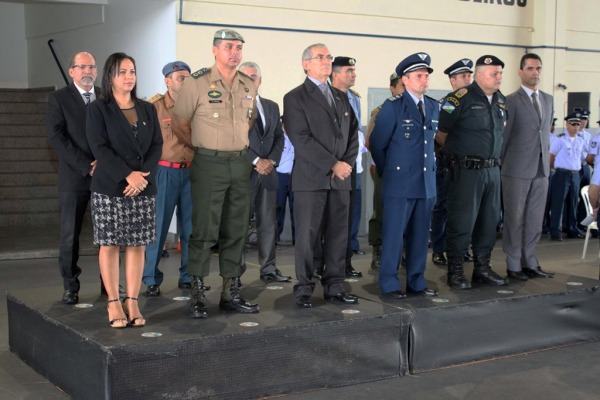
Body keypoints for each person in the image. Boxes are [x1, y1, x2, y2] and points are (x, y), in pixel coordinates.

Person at [172, 29, 259, 319]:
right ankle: (197, 292)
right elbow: (180, 124)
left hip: (240, 163)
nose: (235, 52)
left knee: (236, 230)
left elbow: (249, 121)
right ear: (214, 50)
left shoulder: (248, 85)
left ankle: (230, 293)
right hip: (208, 163)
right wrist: (203, 148)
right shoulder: (196, 83)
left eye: (239, 47)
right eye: (229, 47)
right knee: (204, 230)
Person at [86, 52, 163, 328]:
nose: (129, 77)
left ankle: (132, 300)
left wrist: (141, 177)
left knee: (137, 245)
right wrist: (126, 175)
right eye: (122, 72)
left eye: (132, 71)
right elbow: (99, 148)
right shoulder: (98, 109)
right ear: (110, 77)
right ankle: (113, 302)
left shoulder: (147, 108)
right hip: (111, 187)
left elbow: (156, 145)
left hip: (142, 187)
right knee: (110, 244)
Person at [283, 43, 359, 308]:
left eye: (328, 57)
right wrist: (332, 164)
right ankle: (304, 288)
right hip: (311, 180)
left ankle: (335, 286)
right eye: (320, 57)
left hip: (340, 180)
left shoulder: (341, 96)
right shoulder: (295, 98)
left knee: (338, 235)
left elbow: (352, 136)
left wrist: (345, 164)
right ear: (306, 64)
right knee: (307, 237)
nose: (327, 61)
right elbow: (301, 139)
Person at [436, 55, 509, 290]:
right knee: (462, 222)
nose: (499, 78)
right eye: (494, 74)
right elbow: (441, 134)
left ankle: (482, 268)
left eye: (500, 74)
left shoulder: (501, 101)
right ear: (479, 75)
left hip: (492, 170)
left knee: (489, 222)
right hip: (466, 171)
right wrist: (459, 155)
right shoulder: (458, 99)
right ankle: (455, 271)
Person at [370, 52, 439, 298]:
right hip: (399, 183)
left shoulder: (432, 106)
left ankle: (416, 281)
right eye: (419, 76)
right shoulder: (393, 108)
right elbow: (378, 144)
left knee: (420, 237)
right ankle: (389, 283)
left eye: (426, 76)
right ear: (406, 80)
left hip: (425, 184)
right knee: (393, 236)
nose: (424, 80)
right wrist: (390, 172)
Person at [46, 51, 100, 304]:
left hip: (105, 176)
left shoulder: (106, 96)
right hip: (74, 176)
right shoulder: (59, 98)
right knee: (70, 235)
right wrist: (85, 165)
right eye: (82, 67)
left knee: (108, 235)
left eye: (91, 66)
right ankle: (70, 285)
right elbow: (57, 137)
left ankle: (109, 284)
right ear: (71, 71)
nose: (87, 71)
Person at [142, 61, 198, 297]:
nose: (185, 81)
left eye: (188, 77)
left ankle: (188, 276)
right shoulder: (155, 108)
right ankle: (151, 278)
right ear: (167, 81)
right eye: (180, 77)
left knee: (190, 229)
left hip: (192, 171)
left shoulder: (196, 106)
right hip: (165, 172)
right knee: (159, 227)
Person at [501, 53, 555, 280]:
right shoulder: (510, 101)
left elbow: (544, 133)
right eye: (531, 68)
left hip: (541, 168)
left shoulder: (548, 99)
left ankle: (530, 261)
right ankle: (513, 264)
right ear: (520, 72)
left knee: (535, 218)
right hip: (515, 169)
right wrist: (499, 165)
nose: (536, 73)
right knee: (514, 218)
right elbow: (504, 137)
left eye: (538, 69)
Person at [238, 61, 290, 282]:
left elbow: (279, 136)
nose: (251, 81)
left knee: (268, 222)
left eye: (254, 77)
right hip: (243, 172)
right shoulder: (232, 106)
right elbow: (235, 139)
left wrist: (272, 160)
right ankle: (235, 272)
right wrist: (256, 160)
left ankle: (268, 268)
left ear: (260, 80)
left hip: (268, 172)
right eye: (246, 77)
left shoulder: (271, 106)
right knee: (238, 224)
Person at [431, 58, 473, 267]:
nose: (468, 79)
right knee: (443, 207)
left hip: (469, 165)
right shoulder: (448, 104)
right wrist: (456, 149)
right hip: (449, 163)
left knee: (466, 209)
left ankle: (460, 248)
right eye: (463, 76)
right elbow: (440, 135)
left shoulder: (476, 103)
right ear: (452, 81)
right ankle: (439, 249)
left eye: (469, 75)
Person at [365, 73, 405, 270]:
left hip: (407, 171)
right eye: (400, 86)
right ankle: (378, 249)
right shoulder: (381, 111)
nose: (404, 90)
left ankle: (402, 250)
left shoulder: (415, 110)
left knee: (406, 212)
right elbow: (370, 141)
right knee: (381, 210)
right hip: (385, 168)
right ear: (392, 88)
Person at [330, 56, 363, 278]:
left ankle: (346, 262)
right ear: (335, 74)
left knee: (350, 217)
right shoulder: (326, 97)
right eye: (349, 70)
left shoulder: (355, 98)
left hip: (353, 165)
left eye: (354, 70)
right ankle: (324, 262)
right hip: (333, 166)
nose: (354, 74)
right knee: (331, 220)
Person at [549, 112, 587, 241]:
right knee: (558, 203)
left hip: (575, 174)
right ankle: (555, 230)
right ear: (567, 125)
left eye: (578, 124)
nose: (576, 127)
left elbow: (581, 158)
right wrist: (555, 168)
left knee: (573, 203)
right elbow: (551, 156)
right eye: (573, 124)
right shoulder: (559, 139)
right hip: (562, 174)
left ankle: (571, 228)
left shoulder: (580, 140)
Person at [276, 129, 295, 244]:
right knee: (278, 207)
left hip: (294, 176)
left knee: (296, 209)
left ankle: (297, 240)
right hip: (280, 175)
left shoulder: (296, 137)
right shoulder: (279, 138)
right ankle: (275, 239)